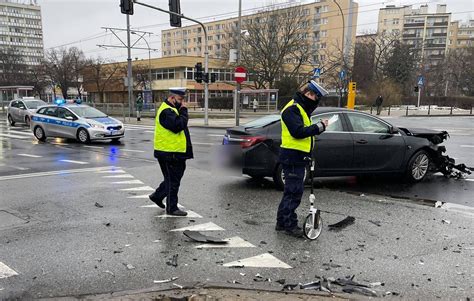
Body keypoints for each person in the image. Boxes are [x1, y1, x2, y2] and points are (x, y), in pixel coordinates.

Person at [276, 80, 329, 238]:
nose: (315, 100)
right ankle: (289, 225)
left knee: (290, 192)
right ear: (308, 94)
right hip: (293, 157)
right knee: (294, 193)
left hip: (298, 156)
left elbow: (303, 133)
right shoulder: (292, 109)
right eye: (314, 96)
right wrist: (319, 127)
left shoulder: (301, 109)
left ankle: (281, 222)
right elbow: (298, 132)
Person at [148, 87, 193, 216]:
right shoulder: (166, 111)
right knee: (173, 181)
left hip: (174, 152)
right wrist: (184, 111)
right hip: (169, 154)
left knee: (172, 180)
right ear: (172, 98)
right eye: (180, 99)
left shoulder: (172, 109)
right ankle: (172, 208)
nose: (182, 103)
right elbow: (178, 126)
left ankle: (157, 196)